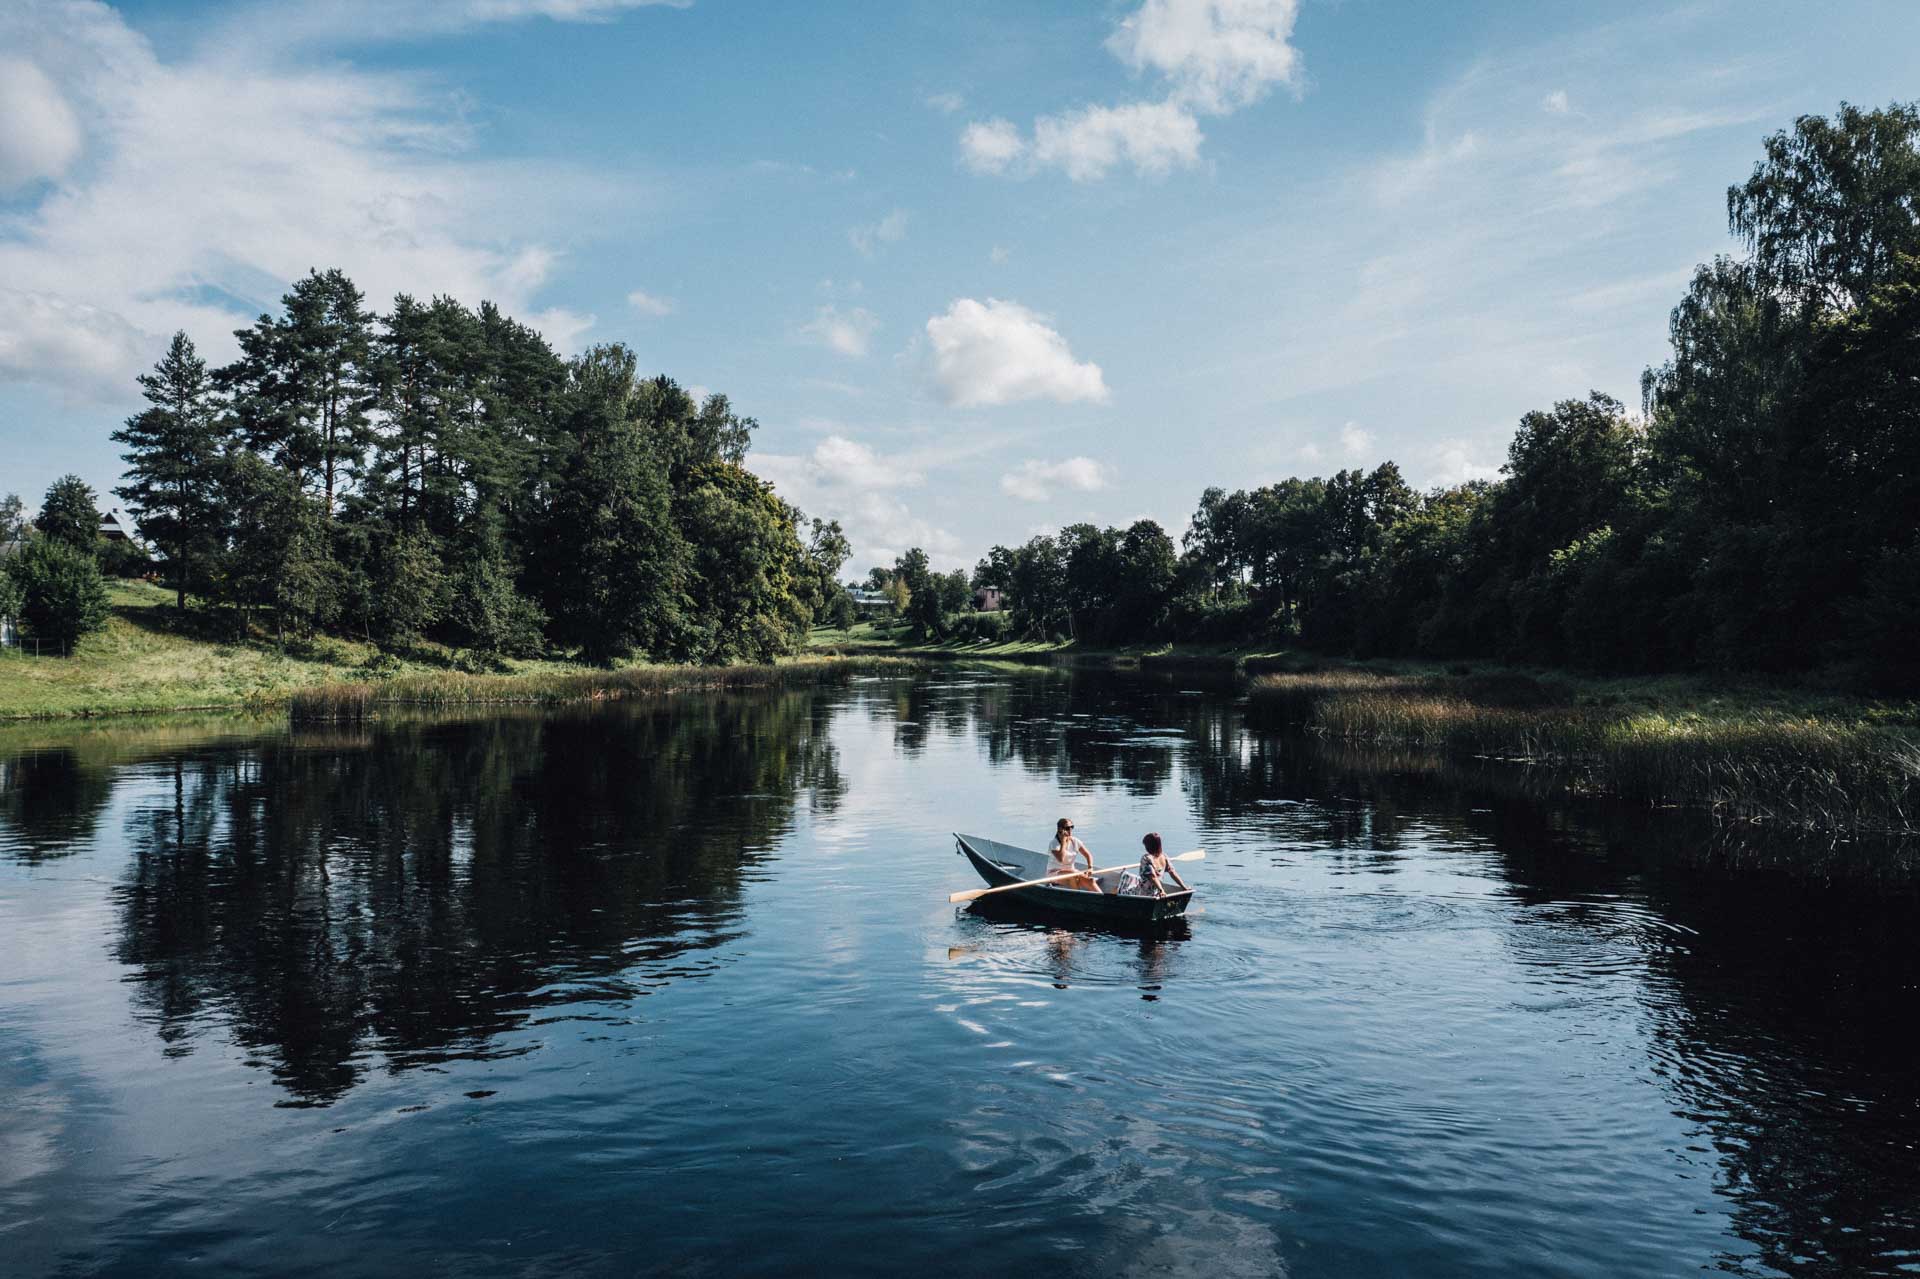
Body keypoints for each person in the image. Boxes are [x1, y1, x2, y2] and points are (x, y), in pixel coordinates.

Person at [1118, 832, 1189, 897]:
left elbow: (1153, 877)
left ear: (1149, 846)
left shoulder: (1146, 858)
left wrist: (1161, 890)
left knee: (1124, 876)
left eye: (1145, 845)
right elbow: (1173, 873)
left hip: (1143, 893)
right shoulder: (1164, 857)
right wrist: (1184, 887)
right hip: (1156, 892)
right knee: (1130, 876)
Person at [1045, 817, 1101, 891]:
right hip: (1054, 874)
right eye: (1067, 828)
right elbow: (1061, 859)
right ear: (1060, 829)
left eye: (1072, 827)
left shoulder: (1075, 841)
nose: (1070, 830)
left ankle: (1105, 901)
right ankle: (1078, 898)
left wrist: (1090, 867)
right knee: (1073, 875)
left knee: (1090, 881)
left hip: (1073, 872)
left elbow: (1088, 855)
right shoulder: (1054, 843)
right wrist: (1063, 842)